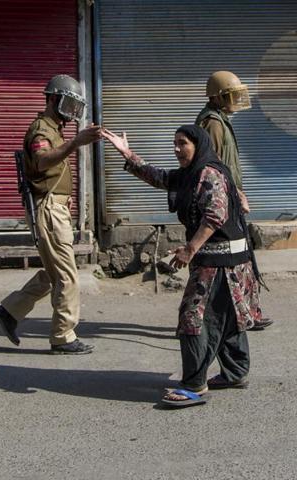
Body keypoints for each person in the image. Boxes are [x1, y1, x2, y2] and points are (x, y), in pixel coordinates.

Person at [102, 124, 261, 408]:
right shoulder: (190, 174)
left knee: (195, 318)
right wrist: (127, 153)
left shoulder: (209, 173)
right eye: (174, 143)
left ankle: (194, 385)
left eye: (182, 144)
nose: (176, 149)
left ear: (198, 145)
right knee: (226, 316)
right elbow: (159, 177)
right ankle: (235, 371)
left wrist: (190, 249)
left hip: (221, 262)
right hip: (223, 261)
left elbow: (215, 217)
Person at [0, 75, 102, 354]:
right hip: (48, 209)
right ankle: (63, 336)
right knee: (67, 275)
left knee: (55, 274)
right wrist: (76, 142)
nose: (72, 112)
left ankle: (10, 311)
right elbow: (41, 161)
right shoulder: (42, 130)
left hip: (54, 207)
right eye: (68, 103)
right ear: (53, 99)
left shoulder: (54, 128)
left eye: (76, 107)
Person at [196, 70, 273, 331]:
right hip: (223, 199)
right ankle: (229, 316)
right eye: (231, 95)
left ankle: (247, 312)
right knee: (234, 258)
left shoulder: (219, 119)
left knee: (240, 256)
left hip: (229, 196)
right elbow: (214, 165)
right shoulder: (213, 123)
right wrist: (235, 195)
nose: (235, 100)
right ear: (217, 98)